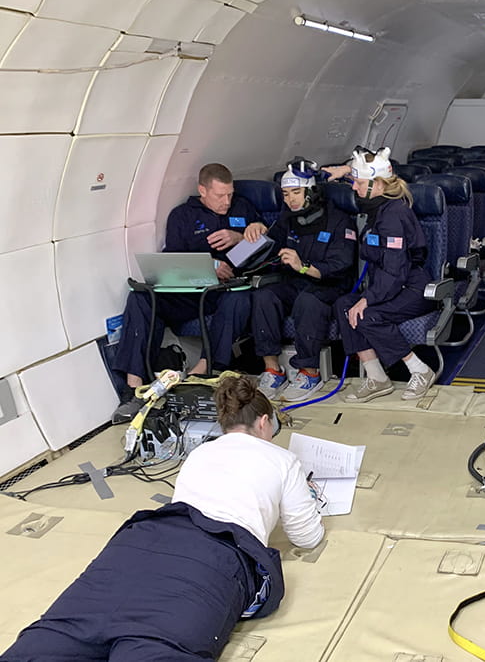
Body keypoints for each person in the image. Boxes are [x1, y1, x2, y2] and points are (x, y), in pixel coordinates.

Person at [1, 375, 324, 661]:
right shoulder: (282, 459)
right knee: (152, 646)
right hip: (214, 557)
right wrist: (305, 497)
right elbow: (307, 538)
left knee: (49, 642)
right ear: (265, 422)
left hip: (140, 542)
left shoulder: (201, 452)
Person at [112, 163, 265, 421]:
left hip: (227, 290)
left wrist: (241, 236)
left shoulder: (242, 208)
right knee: (141, 298)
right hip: (190, 289)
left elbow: (266, 236)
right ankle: (133, 386)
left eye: (229, 194)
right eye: (220, 196)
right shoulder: (182, 215)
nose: (226, 201)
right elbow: (174, 259)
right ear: (202, 190)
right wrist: (211, 265)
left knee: (238, 298)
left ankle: (205, 371)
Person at [327, 147, 437, 402]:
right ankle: (377, 377)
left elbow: (395, 270)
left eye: (359, 183)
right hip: (390, 285)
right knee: (344, 305)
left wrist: (368, 299)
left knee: (367, 314)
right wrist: (345, 171)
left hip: (411, 289)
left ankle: (420, 370)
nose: (354, 188)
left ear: (377, 184)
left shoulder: (393, 215)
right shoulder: (378, 206)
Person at [248, 159, 356, 402]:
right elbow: (271, 244)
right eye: (286, 194)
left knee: (308, 301)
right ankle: (272, 370)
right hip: (295, 282)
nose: (290, 199)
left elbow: (340, 266)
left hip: (330, 284)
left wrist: (303, 266)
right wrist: (258, 228)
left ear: (311, 191)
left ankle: (309, 372)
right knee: (264, 295)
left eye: (296, 192)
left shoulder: (339, 221)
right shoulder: (287, 219)